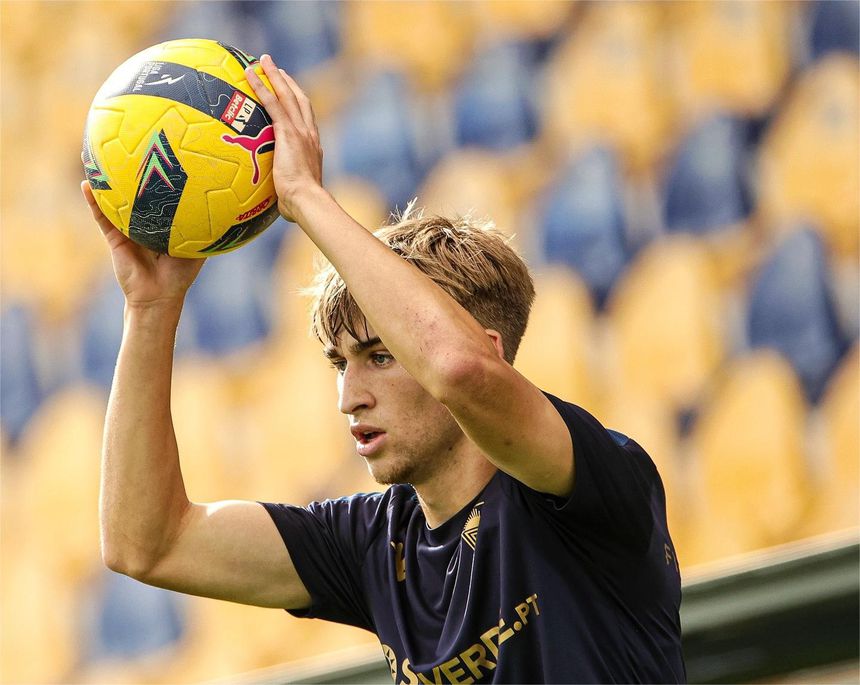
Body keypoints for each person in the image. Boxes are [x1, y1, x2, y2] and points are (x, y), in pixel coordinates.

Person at [82, 54, 685, 684]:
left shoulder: (591, 487)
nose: (349, 397)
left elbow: (457, 370)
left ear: (492, 348)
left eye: (380, 357)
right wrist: (151, 308)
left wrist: (307, 198)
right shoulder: (374, 542)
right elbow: (145, 544)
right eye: (340, 364)